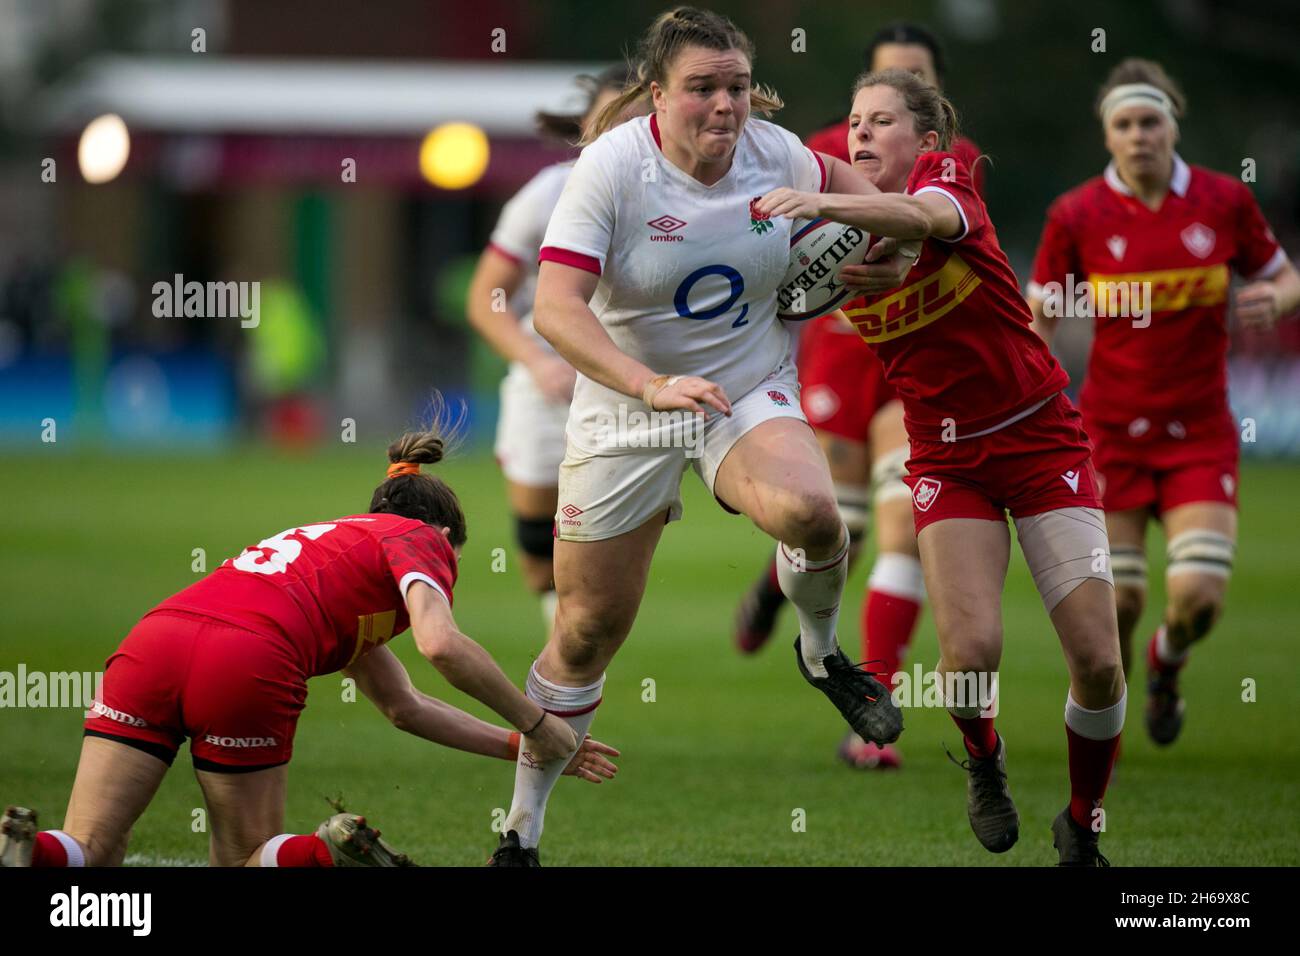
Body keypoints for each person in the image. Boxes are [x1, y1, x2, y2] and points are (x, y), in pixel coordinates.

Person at [486, 6, 919, 867]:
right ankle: (521, 832)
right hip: (626, 402)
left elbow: (884, 210)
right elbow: (558, 311)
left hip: (745, 384)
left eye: (737, 87)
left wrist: (893, 251)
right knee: (584, 630)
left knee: (814, 515)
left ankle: (824, 656)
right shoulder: (610, 170)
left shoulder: (778, 149)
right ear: (657, 95)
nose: (726, 106)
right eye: (703, 89)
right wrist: (649, 385)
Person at [756, 68, 1125, 865]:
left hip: (1040, 439)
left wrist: (820, 203)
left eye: (881, 121)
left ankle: (1082, 821)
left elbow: (924, 218)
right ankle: (984, 763)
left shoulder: (945, 179)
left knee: (1097, 661)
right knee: (968, 655)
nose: (860, 133)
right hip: (946, 458)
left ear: (925, 140)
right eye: (853, 121)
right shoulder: (836, 247)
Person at [0, 421, 617, 868]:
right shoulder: (416, 537)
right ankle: (325, 856)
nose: (449, 571)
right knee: (245, 857)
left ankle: (29, 847)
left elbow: (405, 706)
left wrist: (520, 747)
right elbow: (441, 645)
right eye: (455, 556)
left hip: (154, 640)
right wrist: (538, 721)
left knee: (90, 849)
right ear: (443, 534)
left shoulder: (333, 560)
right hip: (246, 660)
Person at [734, 20, 988, 773]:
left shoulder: (960, 163)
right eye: (880, 89)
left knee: (902, 525)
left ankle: (868, 707)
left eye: (918, 80)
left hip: (914, 363)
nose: (884, 114)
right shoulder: (819, 152)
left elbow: (957, 246)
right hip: (844, 358)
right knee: (833, 527)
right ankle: (781, 585)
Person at [1027, 59, 1299, 746]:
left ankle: (1167, 663)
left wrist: (1282, 297)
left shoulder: (1222, 202)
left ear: (1174, 125)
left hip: (1200, 433)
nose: (1139, 135)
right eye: (1124, 124)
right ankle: (1101, 739)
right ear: (1107, 137)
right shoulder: (1077, 214)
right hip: (1110, 433)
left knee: (1197, 602)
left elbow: (1283, 274)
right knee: (1121, 600)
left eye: (1151, 121)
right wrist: (1029, 386)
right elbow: (1041, 315)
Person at [466, 66, 647, 639]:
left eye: (634, 117)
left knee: (602, 556)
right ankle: (564, 667)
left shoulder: (690, 192)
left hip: (633, 390)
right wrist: (537, 359)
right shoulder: (548, 192)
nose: (621, 129)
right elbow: (485, 297)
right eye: (609, 117)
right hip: (552, 387)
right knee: (537, 557)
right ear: (587, 126)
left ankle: (571, 675)